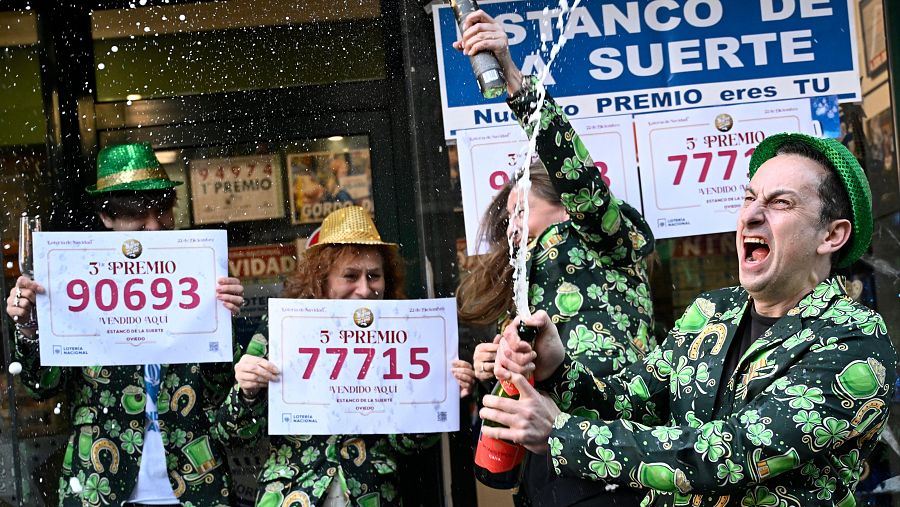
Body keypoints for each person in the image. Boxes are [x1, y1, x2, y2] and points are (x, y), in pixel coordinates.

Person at [484, 133, 897, 506]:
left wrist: (562, 435)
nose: (751, 215)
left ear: (831, 235)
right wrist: (558, 368)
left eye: (780, 203)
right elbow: (634, 401)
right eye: (749, 198)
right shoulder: (711, 311)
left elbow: (733, 454)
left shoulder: (855, 341)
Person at [452, 11, 656, 506]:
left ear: (568, 205)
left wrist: (512, 77)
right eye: (508, 218)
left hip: (617, 455)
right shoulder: (522, 283)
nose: (512, 226)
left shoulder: (605, 239)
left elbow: (576, 173)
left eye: (522, 210)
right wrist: (492, 370)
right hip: (543, 471)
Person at [6, 142, 245, 506]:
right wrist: (30, 330)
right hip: (101, 484)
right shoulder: (73, 278)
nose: (153, 227)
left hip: (195, 483)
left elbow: (224, 389)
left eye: (162, 211)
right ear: (106, 218)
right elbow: (43, 386)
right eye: (137, 216)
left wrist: (223, 321)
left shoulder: (200, 272)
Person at [215, 206, 441, 507]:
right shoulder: (285, 328)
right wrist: (247, 392)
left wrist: (437, 393)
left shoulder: (400, 336)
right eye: (351, 276)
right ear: (322, 278)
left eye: (374, 276)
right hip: (293, 492)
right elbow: (231, 436)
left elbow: (409, 442)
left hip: (371, 495)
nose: (364, 289)